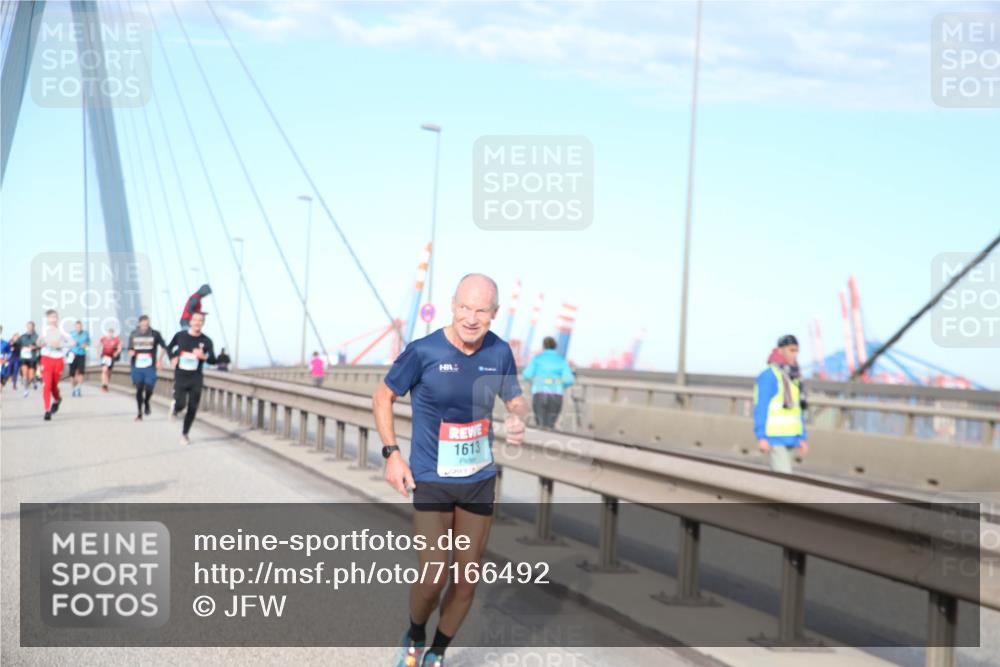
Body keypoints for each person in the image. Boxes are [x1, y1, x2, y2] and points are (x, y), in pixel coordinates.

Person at [373, 274, 528, 667]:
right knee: (433, 574)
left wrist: (516, 418)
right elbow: (383, 396)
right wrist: (392, 453)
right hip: (431, 477)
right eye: (465, 308)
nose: (471, 318)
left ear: (494, 314)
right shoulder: (423, 351)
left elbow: (514, 399)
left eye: (481, 311)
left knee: (466, 581)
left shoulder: (499, 352)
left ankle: (437, 653)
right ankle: (416, 632)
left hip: (477, 480)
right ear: (452, 305)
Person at [754, 334, 808, 474]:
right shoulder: (769, 376)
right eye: (791, 350)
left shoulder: (794, 377)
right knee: (785, 480)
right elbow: (761, 407)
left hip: (792, 438)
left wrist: (802, 438)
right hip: (775, 438)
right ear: (780, 350)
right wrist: (761, 437)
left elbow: (797, 410)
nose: (795, 354)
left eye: (796, 350)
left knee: (779, 481)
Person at [167, 311, 216, 445]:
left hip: (196, 377)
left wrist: (203, 357)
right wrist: (172, 358)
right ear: (190, 322)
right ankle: (176, 408)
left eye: (200, 320)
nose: (197, 323)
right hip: (181, 375)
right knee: (182, 403)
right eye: (195, 320)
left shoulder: (206, 341)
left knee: (193, 406)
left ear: (203, 323)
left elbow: (213, 360)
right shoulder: (180, 336)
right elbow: (169, 347)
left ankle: (185, 434)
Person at [522, 336, 575, 428]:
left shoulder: (537, 359)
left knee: (540, 423)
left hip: (539, 392)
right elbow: (569, 380)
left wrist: (536, 381)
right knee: (550, 425)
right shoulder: (561, 360)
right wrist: (560, 385)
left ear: (544, 346)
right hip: (556, 394)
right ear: (555, 347)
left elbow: (526, 374)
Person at [127, 315, 169, 421]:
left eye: (147, 324)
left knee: (149, 388)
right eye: (143, 324)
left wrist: (159, 360)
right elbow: (130, 349)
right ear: (139, 324)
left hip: (150, 366)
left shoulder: (155, 334)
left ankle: (146, 402)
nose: (145, 327)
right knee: (139, 388)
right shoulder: (133, 334)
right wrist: (131, 352)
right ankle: (139, 413)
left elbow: (164, 347)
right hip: (137, 366)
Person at [39, 309, 73, 421]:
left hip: (58, 359)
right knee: (47, 385)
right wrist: (44, 342)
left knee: (53, 385)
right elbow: (39, 342)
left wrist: (60, 344)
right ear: (47, 319)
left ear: (57, 318)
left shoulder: (61, 331)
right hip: (46, 358)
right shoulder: (44, 330)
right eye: (51, 317)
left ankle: (57, 399)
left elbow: (72, 343)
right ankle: (47, 410)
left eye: (55, 317)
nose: (53, 319)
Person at [68, 320, 90, 397]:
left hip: (81, 354)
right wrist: (71, 344)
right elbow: (66, 344)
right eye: (77, 326)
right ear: (75, 327)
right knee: (72, 374)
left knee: (81, 372)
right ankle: (73, 388)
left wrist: (86, 346)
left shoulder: (85, 334)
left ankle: (78, 388)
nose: (78, 328)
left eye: (80, 326)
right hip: (72, 354)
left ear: (81, 327)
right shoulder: (71, 334)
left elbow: (88, 346)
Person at [18, 320, 39, 397]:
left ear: (33, 327)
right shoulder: (23, 336)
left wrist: (35, 347)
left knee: (30, 376)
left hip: (32, 358)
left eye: (31, 327)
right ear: (26, 327)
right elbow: (17, 344)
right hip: (24, 357)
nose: (29, 328)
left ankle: (33, 380)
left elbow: (40, 345)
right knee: (25, 374)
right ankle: (25, 390)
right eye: (28, 327)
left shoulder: (36, 336)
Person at [99, 327, 123, 392]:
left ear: (113, 334)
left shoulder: (116, 340)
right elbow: (100, 346)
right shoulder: (103, 339)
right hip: (104, 356)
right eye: (109, 333)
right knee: (104, 370)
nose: (110, 334)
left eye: (111, 333)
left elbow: (120, 347)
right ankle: (103, 385)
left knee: (109, 372)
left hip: (111, 357)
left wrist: (117, 352)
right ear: (107, 333)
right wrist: (99, 352)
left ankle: (106, 384)